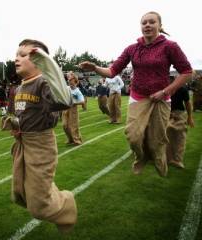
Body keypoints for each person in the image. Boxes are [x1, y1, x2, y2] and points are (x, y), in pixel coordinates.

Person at [79, 11, 192, 177]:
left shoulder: (170, 46)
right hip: (138, 96)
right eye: (144, 22)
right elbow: (112, 71)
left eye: (152, 22)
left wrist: (165, 91)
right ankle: (141, 157)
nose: (147, 25)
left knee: (156, 141)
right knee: (133, 136)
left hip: (160, 98)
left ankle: (159, 157)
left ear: (160, 26)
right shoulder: (132, 49)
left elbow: (187, 72)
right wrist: (95, 68)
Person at [3, 39, 77, 233]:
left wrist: (47, 62)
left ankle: (67, 203)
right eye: (16, 54)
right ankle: (51, 197)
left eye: (23, 55)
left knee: (38, 207)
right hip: (23, 143)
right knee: (19, 193)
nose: (17, 58)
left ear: (38, 60)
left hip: (40, 146)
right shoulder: (19, 88)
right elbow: (23, 114)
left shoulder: (43, 82)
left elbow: (63, 101)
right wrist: (15, 124)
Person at [166, 77, 194, 169]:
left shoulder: (182, 89)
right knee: (166, 133)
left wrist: (190, 117)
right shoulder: (163, 88)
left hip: (179, 113)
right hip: (166, 112)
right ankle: (167, 158)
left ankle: (177, 160)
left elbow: (187, 103)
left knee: (180, 136)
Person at [62, 71, 84, 145]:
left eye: (71, 81)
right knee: (65, 125)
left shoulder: (77, 91)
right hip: (66, 107)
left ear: (75, 82)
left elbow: (82, 101)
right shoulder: (67, 88)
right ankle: (70, 139)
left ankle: (77, 140)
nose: (70, 83)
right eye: (69, 81)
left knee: (73, 125)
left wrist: (75, 103)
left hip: (73, 108)